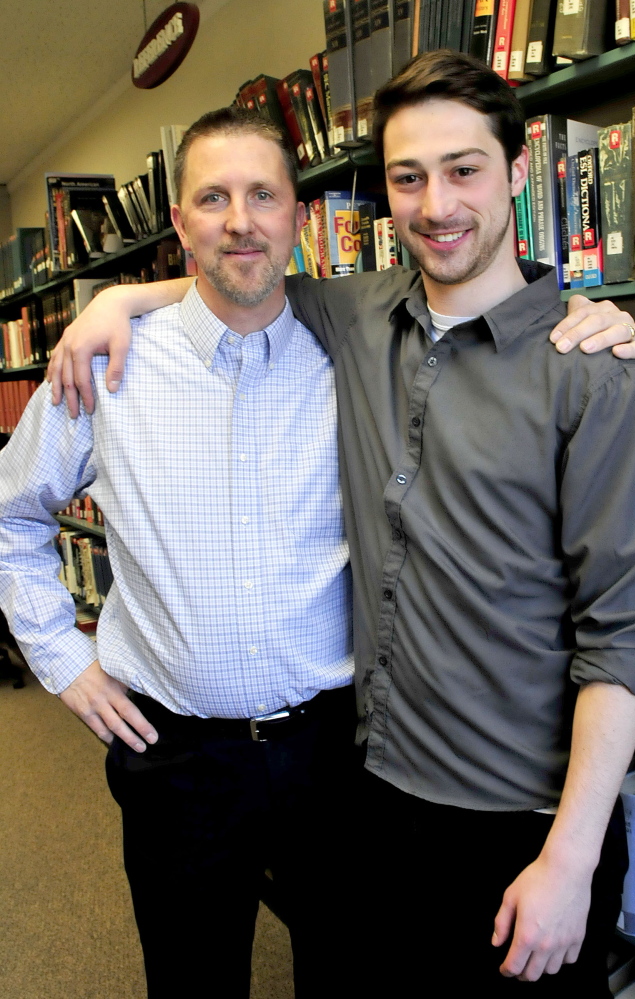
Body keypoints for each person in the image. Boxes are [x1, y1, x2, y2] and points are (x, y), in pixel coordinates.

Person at [46, 53, 635, 997]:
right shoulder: (358, 310)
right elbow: (235, 272)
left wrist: (570, 859)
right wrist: (116, 299)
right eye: (406, 177)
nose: (436, 204)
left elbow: (626, 634)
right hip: (370, 801)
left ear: (516, 169)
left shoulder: (595, 370)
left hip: (520, 820)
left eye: (463, 169)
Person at [0, 109, 361, 999]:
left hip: (335, 751)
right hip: (177, 762)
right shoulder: (104, 365)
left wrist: (594, 318)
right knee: (191, 980)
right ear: (179, 222)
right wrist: (63, 661)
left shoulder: (355, 351)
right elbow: (11, 516)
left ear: (298, 216)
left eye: (263, 194)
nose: (240, 220)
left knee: (350, 976)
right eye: (213, 196)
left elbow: (473, 291)